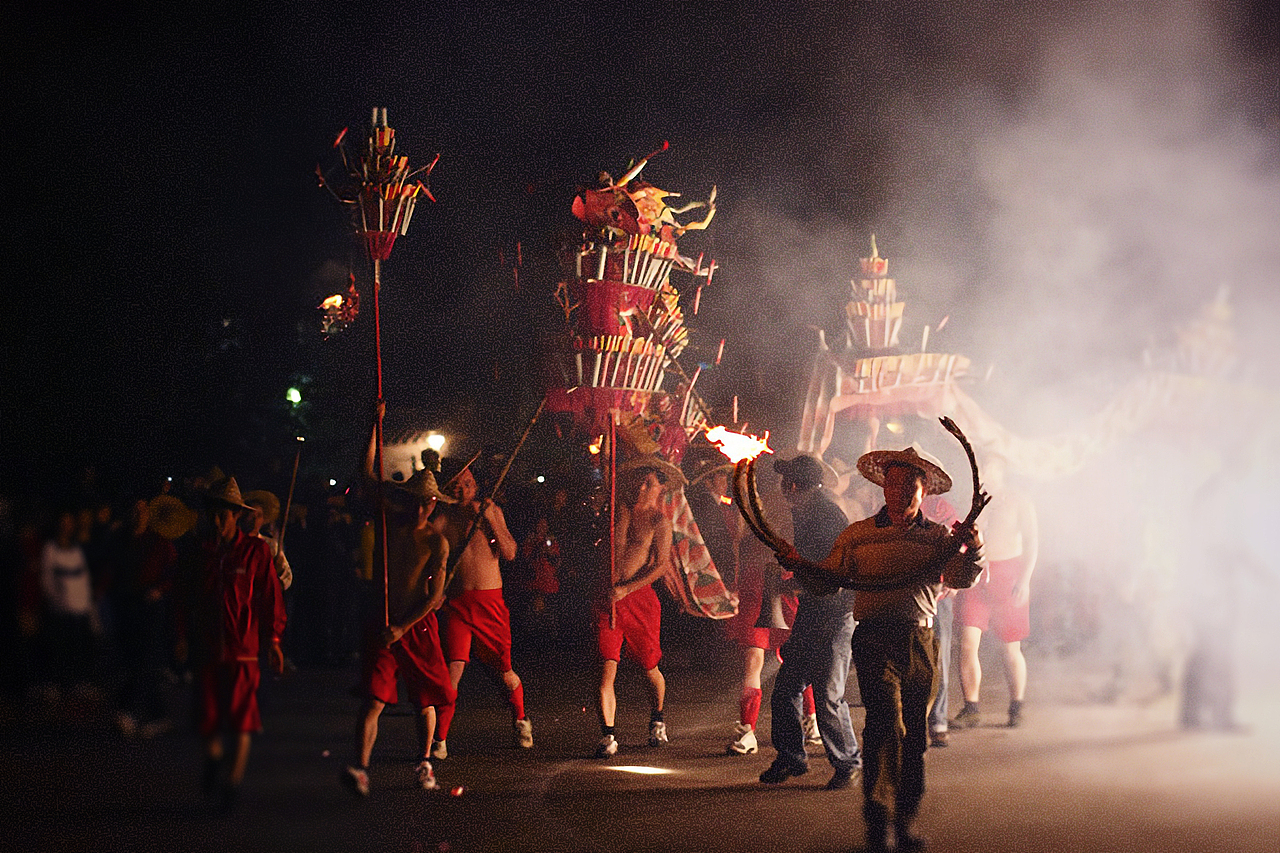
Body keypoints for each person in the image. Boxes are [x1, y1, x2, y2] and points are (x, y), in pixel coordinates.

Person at [780, 446, 984, 852]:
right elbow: (828, 581)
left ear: (923, 491)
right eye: (893, 483)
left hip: (921, 642)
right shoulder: (858, 534)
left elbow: (961, 579)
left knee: (914, 739)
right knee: (883, 727)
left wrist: (972, 548)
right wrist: (800, 564)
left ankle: (904, 821)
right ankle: (878, 823)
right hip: (874, 639)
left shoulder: (939, 537)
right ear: (882, 487)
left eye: (910, 484)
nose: (901, 491)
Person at [342, 409, 457, 796]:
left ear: (435, 504)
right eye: (418, 500)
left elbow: (435, 595)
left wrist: (404, 627)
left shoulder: (435, 543)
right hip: (383, 619)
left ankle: (424, 764)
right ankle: (360, 768)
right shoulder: (390, 521)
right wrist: (374, 424)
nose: (422, 507)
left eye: (429, 503)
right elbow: (366, 475)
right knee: (373, 699)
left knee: (424, 701)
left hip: (414, 624)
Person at [758, 455, 862, 791]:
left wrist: (795, 575)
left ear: (792, 485)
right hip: (813, 611)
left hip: (835, 614)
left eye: (784, 481)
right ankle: (791, 757)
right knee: (787, 687)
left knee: (829, 694)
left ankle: (847, 762)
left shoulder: (825, 516)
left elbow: (829, 571)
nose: (781, 487)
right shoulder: (804, 511)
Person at [182, 476, 286, 810]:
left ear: (235, 516)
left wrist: (273, 639)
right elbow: (185, 599)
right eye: (213, 514)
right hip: (208, 645)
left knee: (242, 717)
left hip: (244, 649)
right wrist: (182, 636)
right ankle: (214, 762)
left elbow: (270, 597)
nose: (217, 521)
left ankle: (233, 782)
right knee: (208, 715)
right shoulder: (200, 552)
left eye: (223, 515)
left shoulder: (256, 551)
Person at [431, 458, 530, 758]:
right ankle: (439, 739)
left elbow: (510, 553)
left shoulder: (490, 511)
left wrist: (492, 520)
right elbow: (432, 563)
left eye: (468, 482)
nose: (463, 489)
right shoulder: (442, 520)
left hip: (490, 603)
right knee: (453, 671)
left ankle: (520, 719)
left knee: (505, 672)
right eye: (457, 484)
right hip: (458, 605)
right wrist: (434, 592)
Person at [594, 458, 678, 758]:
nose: (642, 488)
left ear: (661, 489)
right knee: (606, 666)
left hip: (639, 599)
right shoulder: (619, 510)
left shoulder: (659, 522)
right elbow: (606, 474)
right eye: (640, 482)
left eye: (650, 484)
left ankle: (657, 718)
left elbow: (660, 565)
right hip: (607, 598)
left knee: (649, 668)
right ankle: (608, 735)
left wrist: (628, 588)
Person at [953, 453, 1037, 729]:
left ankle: (1017, 706)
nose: (984, 471)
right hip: (976, 574)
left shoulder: (1018, 501)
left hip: (1007, 573)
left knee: (1010, 646)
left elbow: (1032, 543)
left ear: (1001, 469)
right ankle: (972, 707)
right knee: (967, 642)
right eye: (981, 466)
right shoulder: (975, 501)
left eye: (989, 466)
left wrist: (1024, 580)